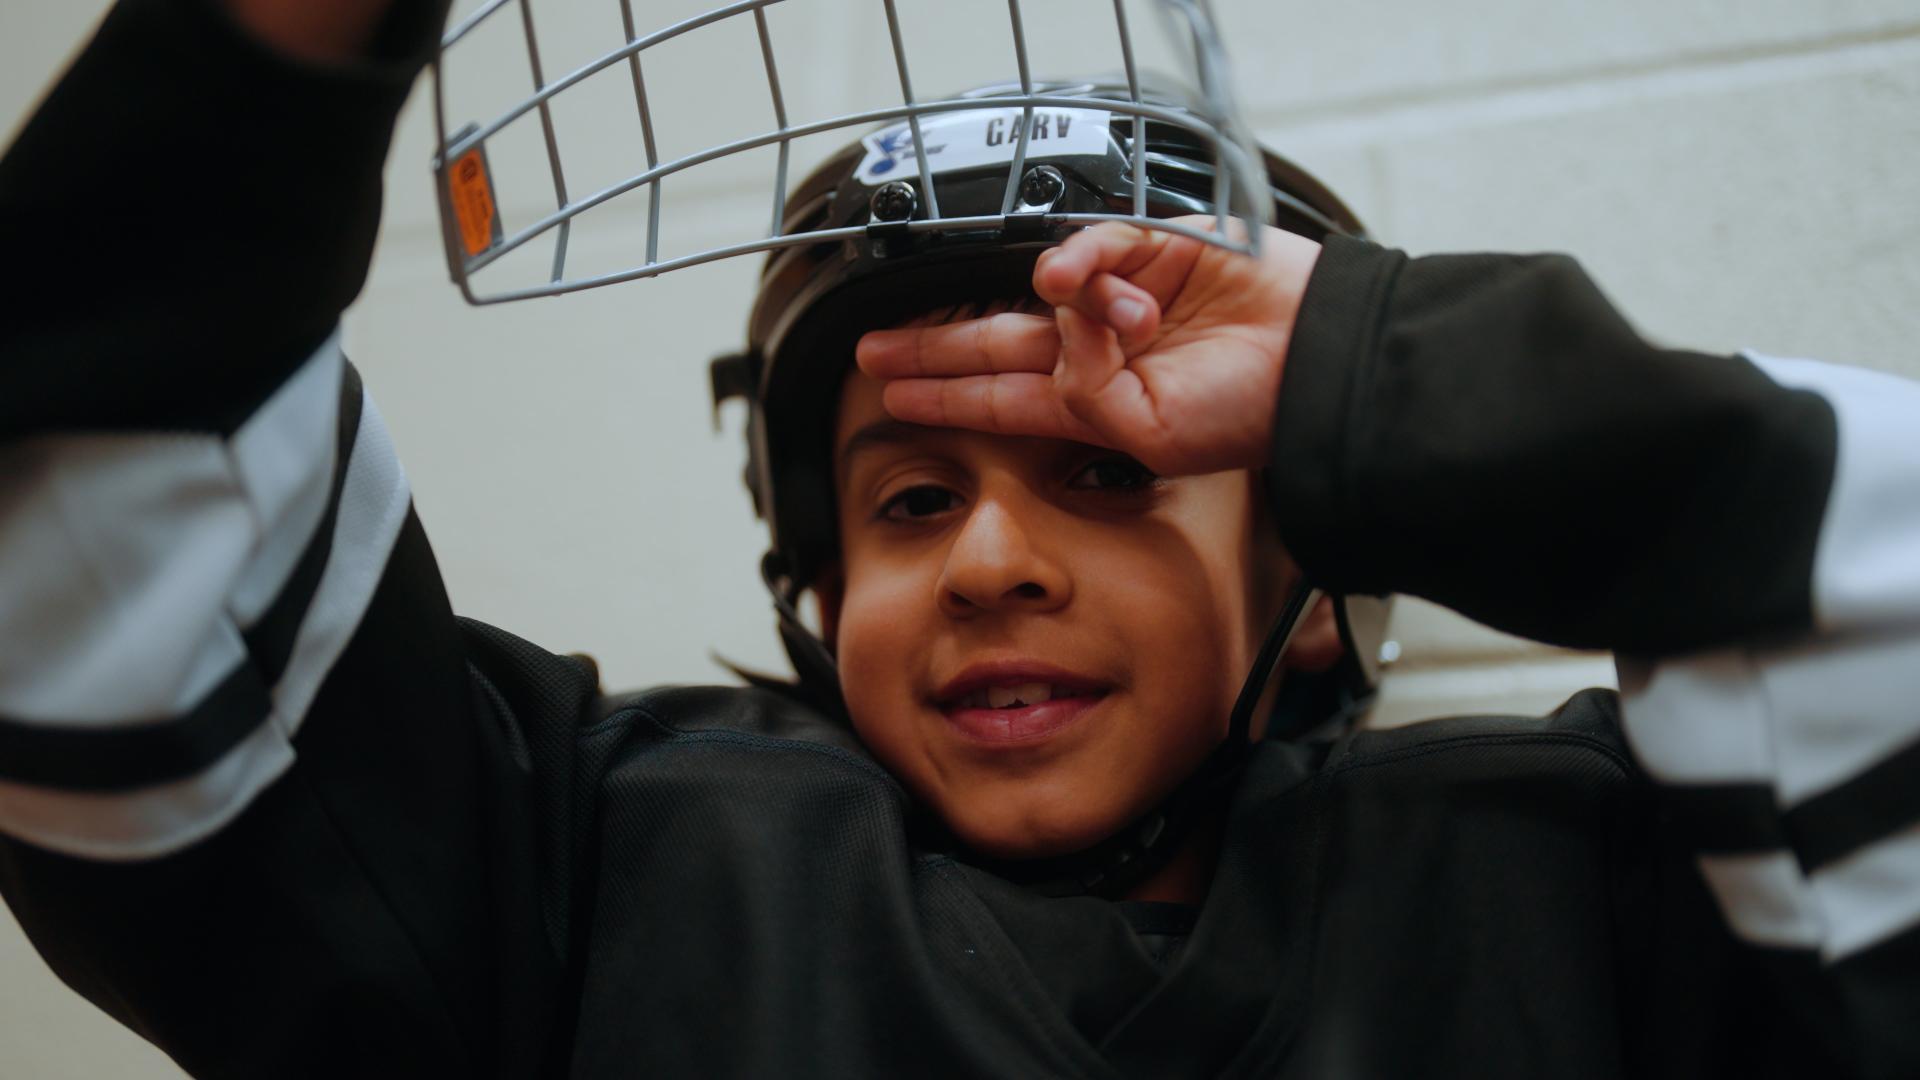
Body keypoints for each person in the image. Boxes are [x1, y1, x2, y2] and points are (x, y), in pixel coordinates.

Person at [2, 1, 1917, 1078]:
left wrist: (1379, 377)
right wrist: (271, 48)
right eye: (912, 500)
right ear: (820, 588)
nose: (992, 561)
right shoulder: (578, 886)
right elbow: (89, 547)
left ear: (1320, 590)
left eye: (1109, 476)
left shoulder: (1597, 878)